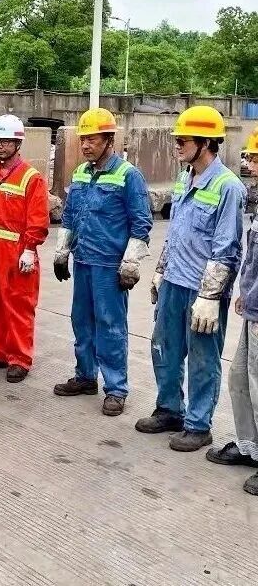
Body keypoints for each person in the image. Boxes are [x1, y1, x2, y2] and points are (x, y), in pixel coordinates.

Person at [136, 105, 246, 452]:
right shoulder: (185, 178)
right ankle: (170, 410)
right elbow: (176, 232)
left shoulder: (228, 187)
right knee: (164, 348)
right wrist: (160, 271)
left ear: (206, 143)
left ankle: (198, 425)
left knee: (202, 359)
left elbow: (227, 248)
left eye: (183, 140)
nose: (176, 145)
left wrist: (210, 297)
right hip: (174, 281)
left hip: (202, 291)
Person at [52, 108, 153, 416]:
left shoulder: (128, 176)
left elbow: (141, 223)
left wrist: (131, 263)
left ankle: (116, 388)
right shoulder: (81, 173)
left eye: (92, 140)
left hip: (109, 266)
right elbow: (70, 215)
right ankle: (85, 376)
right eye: (83, 139)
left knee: (110, 325)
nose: (85, 145)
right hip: (83, 260)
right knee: (81, 320)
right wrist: (62, 251)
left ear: (109, 140)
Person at [0, 114, 50, 383]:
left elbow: (38, 217)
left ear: (18, 144)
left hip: (17, 249)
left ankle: (19, 358)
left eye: (5, 141)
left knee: (19, 304)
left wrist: (30, 248)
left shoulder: (31, 177)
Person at [205, 124, 258, 494]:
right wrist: (245, 291)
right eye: (250, 157)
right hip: (254, 306)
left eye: (255, 158)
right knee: (240, 378)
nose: (249, 164)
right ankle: (249, 446)